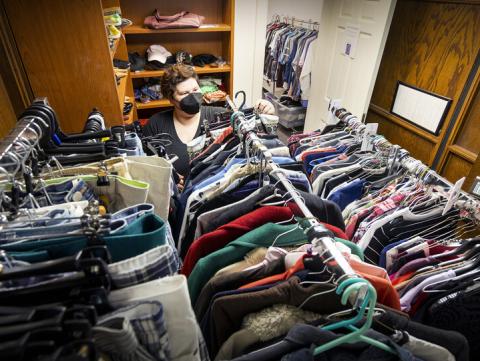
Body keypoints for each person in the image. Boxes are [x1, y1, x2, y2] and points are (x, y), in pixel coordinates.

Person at [142, 64, 275, 177]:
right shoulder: (156, 125)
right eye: (184, 93)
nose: (193, 96)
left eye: (195, 90)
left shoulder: (220, 118)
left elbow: (253, 130)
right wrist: (170, 180)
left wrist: (266, 111)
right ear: (171, 99)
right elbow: (147, 168)